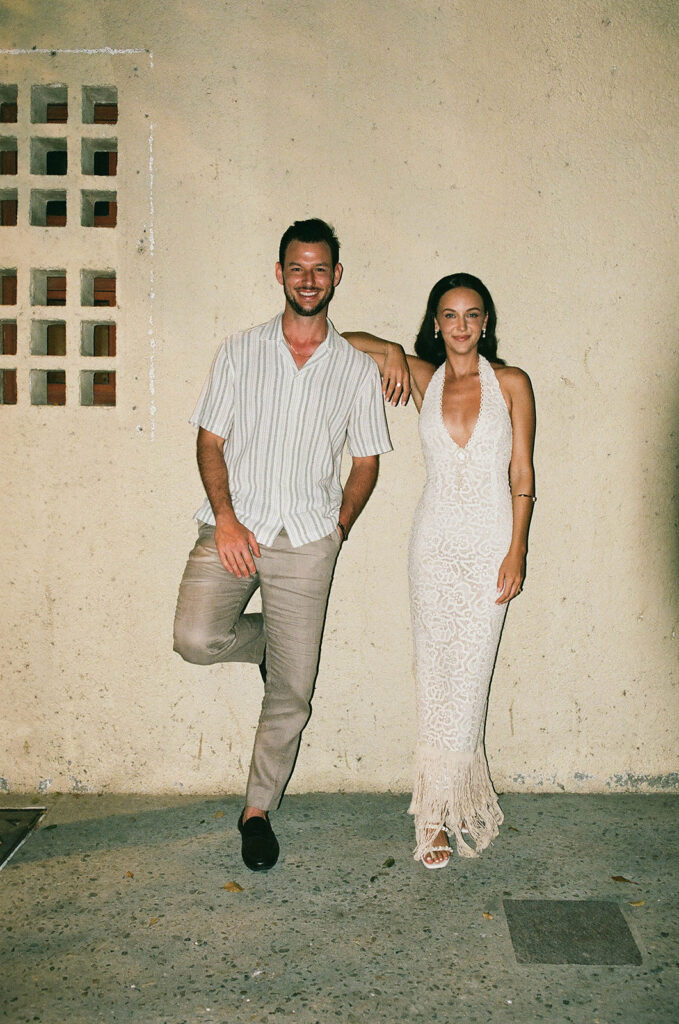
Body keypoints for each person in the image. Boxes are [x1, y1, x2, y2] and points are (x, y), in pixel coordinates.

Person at [173, 219, 394, 871]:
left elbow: (366, 461)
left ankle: (256, 810)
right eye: (296, 268)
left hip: (306, 540)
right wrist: (227, 517)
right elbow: (209, 441)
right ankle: (274, 644)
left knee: (291, 694)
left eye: (319, 269)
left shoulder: (354, 369)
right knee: (194, 638)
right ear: (279, 273)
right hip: (234, 526)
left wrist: (340, 528)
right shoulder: (240, 352)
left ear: (336, 276)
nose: (308, 279)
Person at [344, 273, 536, 868]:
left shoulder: (511, 384)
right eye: (448, 316)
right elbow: (343, 339)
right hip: (432, 545)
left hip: (489, 545)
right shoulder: (423, 381)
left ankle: (453, 804)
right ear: (435, 323)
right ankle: (431, 818)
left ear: (486, 323)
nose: (460, 326)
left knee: (469, 681)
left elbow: (522, 477)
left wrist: (517, 551)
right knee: (434, 678)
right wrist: (396, 355)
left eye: (471, 315)